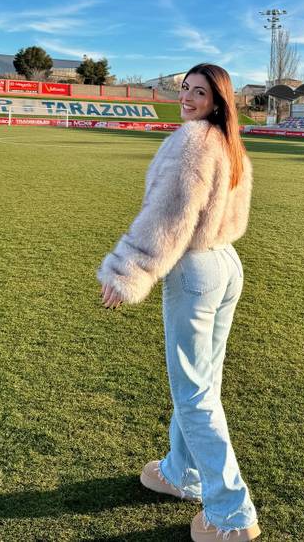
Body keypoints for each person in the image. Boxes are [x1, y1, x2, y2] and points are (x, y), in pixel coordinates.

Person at [97, 63, 261, 542]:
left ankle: (232, 514)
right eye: (185, 89)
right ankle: (180, 472)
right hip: (225, 263)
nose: (187, 98)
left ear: (218, 99)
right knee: (202, 381)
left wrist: (128, 270)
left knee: (193, 392)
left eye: (199, 92)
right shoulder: (229, 142)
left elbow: (170, 213)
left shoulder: (194, 141)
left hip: (194, 267)